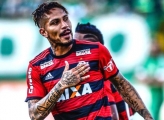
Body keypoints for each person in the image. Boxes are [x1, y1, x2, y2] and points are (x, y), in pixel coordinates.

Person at [25, 1, 153, 120]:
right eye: (55, 22)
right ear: (43, 32)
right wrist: (61, 86)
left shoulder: (96, 50)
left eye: (65, 19)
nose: (64, 25)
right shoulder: (36, 66)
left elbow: (122, 85)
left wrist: (148, 117)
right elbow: (34, 115)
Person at [74, 22, 135, 120]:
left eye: (87, 45)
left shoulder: (105, 82)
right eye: (76, 44)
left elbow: (114, 116)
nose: (80, 50)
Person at [134, 40, 164, 120]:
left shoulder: (162, 61)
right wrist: (151, 79)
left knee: (155, 114)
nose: (153, 48)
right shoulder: (145, 60)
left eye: (155, 46)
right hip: (144, 94)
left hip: (157, 94)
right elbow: (138, 76)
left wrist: (149, 80)